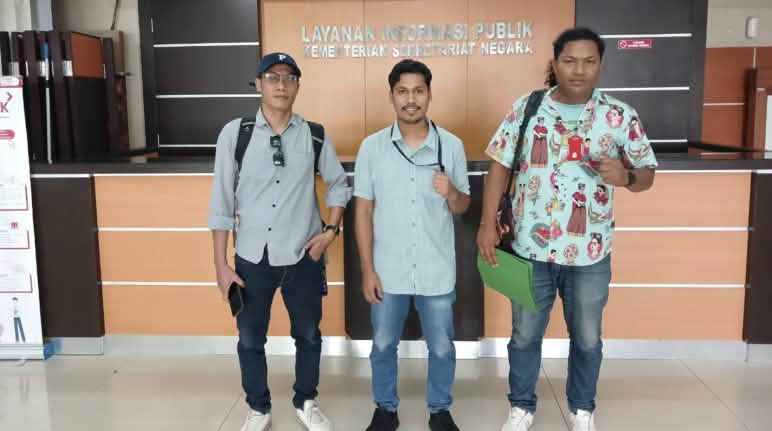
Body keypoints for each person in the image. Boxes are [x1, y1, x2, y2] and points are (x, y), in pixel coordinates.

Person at [476, 27, 658, 431]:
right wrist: (487, 225)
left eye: (589, 61)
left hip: (590, 252)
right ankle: (521, 407)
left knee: (588, 338)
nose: (579, 70)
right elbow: (499, 165)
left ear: (601, 65)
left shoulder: (619, 115)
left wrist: (627, 176)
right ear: (555, 63)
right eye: (570, 61)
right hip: (530, 248)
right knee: (524, 336)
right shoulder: (528, 107)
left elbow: (647, 174)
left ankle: (581, 408)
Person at [208, 52, 352, 431]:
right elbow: (221, 204)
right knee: (250, 338)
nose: (281, 85)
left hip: (303, 256)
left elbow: (339, 184)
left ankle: (306, 401)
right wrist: (221, 265)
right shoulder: (235, 135)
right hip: (252, 258)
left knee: (308, 334)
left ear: (298, 86)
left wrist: (331, 231)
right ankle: (258, 407)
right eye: (273, 77)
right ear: (258, 84)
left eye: (290, 78)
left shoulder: (314, 134)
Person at [354, 59, 471, 431]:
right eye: (402, 91)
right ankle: (385, 408)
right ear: (391, 96)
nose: (410, 99)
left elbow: (463, 206)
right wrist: (368, 270)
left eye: (418, 91)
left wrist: (452, 192)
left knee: (442, 347)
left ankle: (440, 409)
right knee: (383, 344)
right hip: (388, 269)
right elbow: (363, 212)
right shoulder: (372, 148)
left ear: (429, 94)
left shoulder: (450, 145)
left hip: (436, 268)